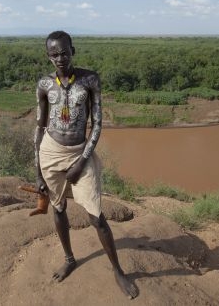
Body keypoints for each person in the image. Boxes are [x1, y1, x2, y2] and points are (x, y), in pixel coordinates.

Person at [33, 30, 138, 299]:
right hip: (50, 151)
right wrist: (37, 170)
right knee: (58, 208)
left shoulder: (89, 79)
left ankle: (117, 271)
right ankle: (69, 258)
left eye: (64, 52)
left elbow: (98, 123)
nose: (60, 58)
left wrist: (82, 161)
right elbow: (39, 125)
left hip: (80, 151)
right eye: (54, 54)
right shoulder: (45, 84)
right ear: (48, 55)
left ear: (73, 50)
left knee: (96, 216)